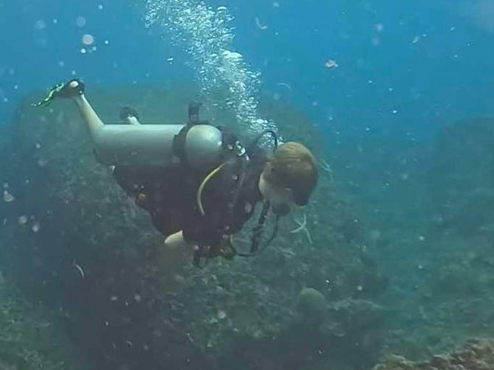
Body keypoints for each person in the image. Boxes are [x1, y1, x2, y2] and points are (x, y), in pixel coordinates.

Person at [35, 78, 319, 266]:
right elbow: (172, 242)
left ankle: (134, 124)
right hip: (154, 183)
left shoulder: (254, 160)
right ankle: (77, 95)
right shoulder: (228, 212)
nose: (290, 206)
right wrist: (163, 275)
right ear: (286, 190)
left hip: (171, 166)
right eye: (295, 200)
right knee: (104, 150)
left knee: (147, 154)